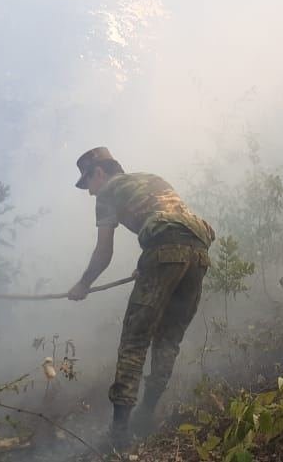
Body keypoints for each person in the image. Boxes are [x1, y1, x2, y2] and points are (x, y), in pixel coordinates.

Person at [68, 147, 215, 443]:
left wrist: (83, 284)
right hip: (198, 253)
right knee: (168, 340)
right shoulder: (150, 178)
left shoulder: (108, 191)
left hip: (164, 252)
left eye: (88, 183)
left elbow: (104, 251)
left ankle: (119, 434)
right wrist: (145, 266)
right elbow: (171, 224)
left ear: (99, 172)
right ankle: (146, 415)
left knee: (134, 341)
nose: (90, 192)